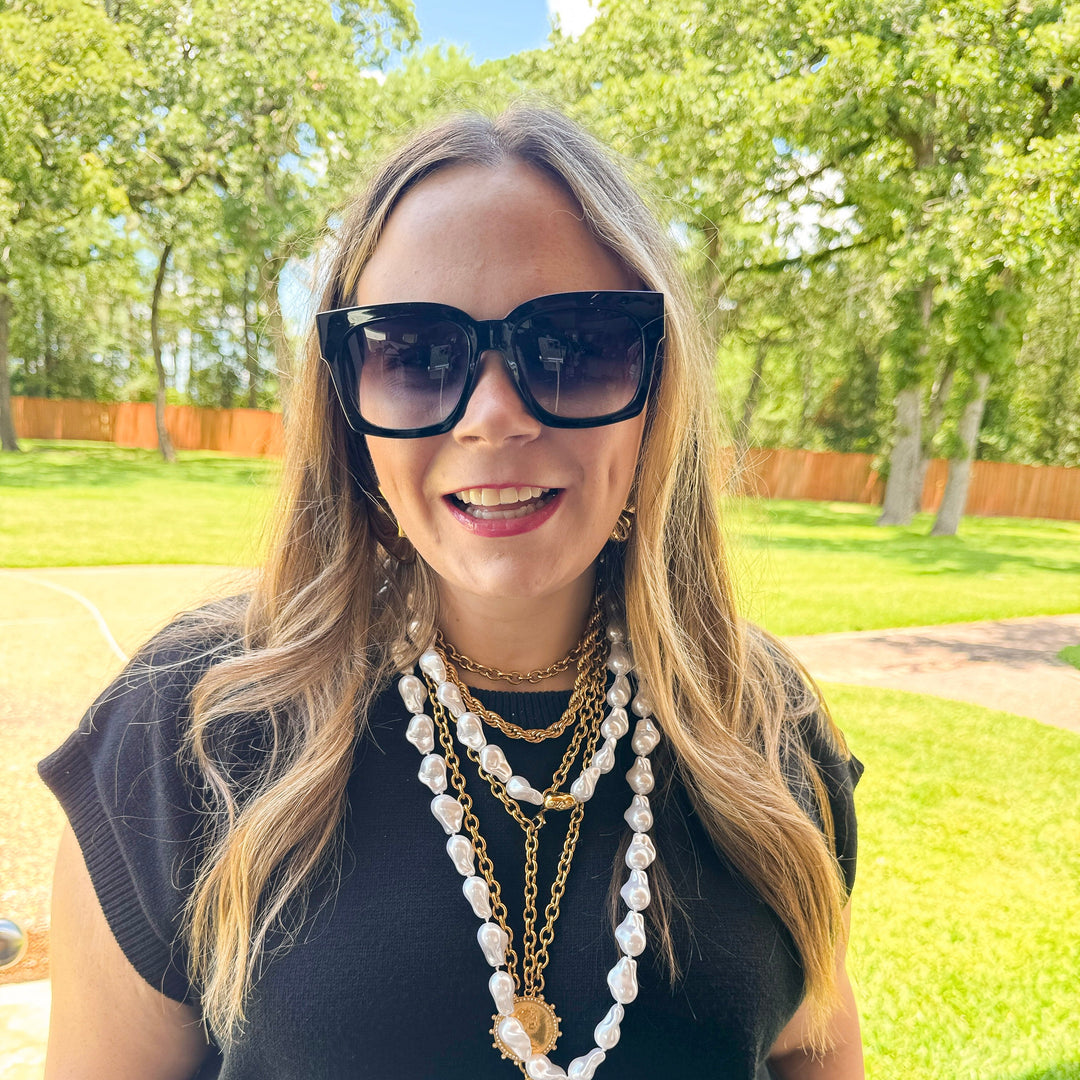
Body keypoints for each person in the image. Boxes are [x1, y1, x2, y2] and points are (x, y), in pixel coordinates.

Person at [39, 106, 864, 1080]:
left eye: (573, 343)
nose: (494, 415)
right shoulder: (192, 736)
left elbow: (814, 1045)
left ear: (658, 383)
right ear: (348, 406)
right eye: (416, 354)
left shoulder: (765, 723)